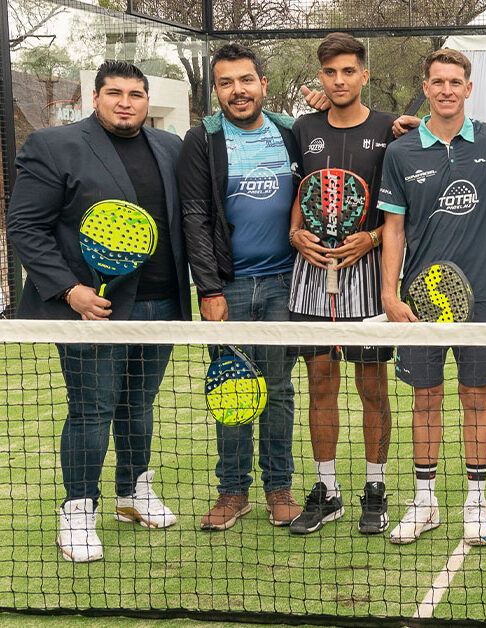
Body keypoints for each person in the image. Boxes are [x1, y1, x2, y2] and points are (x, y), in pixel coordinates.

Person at [8, 61, 189, 562]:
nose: (125, 102)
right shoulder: (54, 145)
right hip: (95, 309)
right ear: (96, 97)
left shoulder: (170, 147)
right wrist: (71, 292)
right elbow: (24, 228)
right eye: (115, 93)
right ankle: (78, 511)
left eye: (135, 94)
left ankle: (132, 495)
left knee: (140, 405)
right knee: (92, 411)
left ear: (147, 101)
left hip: (163, 304)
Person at [378, 48, 486, 546]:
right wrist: (390, 295)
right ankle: (425, 502)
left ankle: (477, 505)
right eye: (438, 81)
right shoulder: (401, 153)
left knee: (477, 399)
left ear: (469, 88)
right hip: (419, 302)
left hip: (480, 301)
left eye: (455, 81)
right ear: (426, 86)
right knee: (425, 399)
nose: (447, 90)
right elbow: (392, 229)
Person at [179, 43, 303, 531]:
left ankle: (279, 489)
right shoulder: (201, 139)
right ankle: (232, 493)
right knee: (231, 389)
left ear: (263, 84)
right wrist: (208, 290)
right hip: (227, 289)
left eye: (246, 80)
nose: (238, 91)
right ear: (216, 91)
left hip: (286, 285)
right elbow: (194, 215)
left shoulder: (292, 131)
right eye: (226, 83)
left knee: (277, 389)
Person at [287, 32, 396, 536]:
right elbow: (299, 190)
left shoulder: (389, 131)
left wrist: (371, 239)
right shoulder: (303, 128)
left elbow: (400, 210)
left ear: (364, 74)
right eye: (329, 72)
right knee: (320, 383)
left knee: (371, 386)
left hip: (368, 277)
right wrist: (294, 232)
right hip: (311, 275)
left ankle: (375, 487)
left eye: (348, 71)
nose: (338, 80)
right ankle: (327, 491)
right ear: (320, 77)